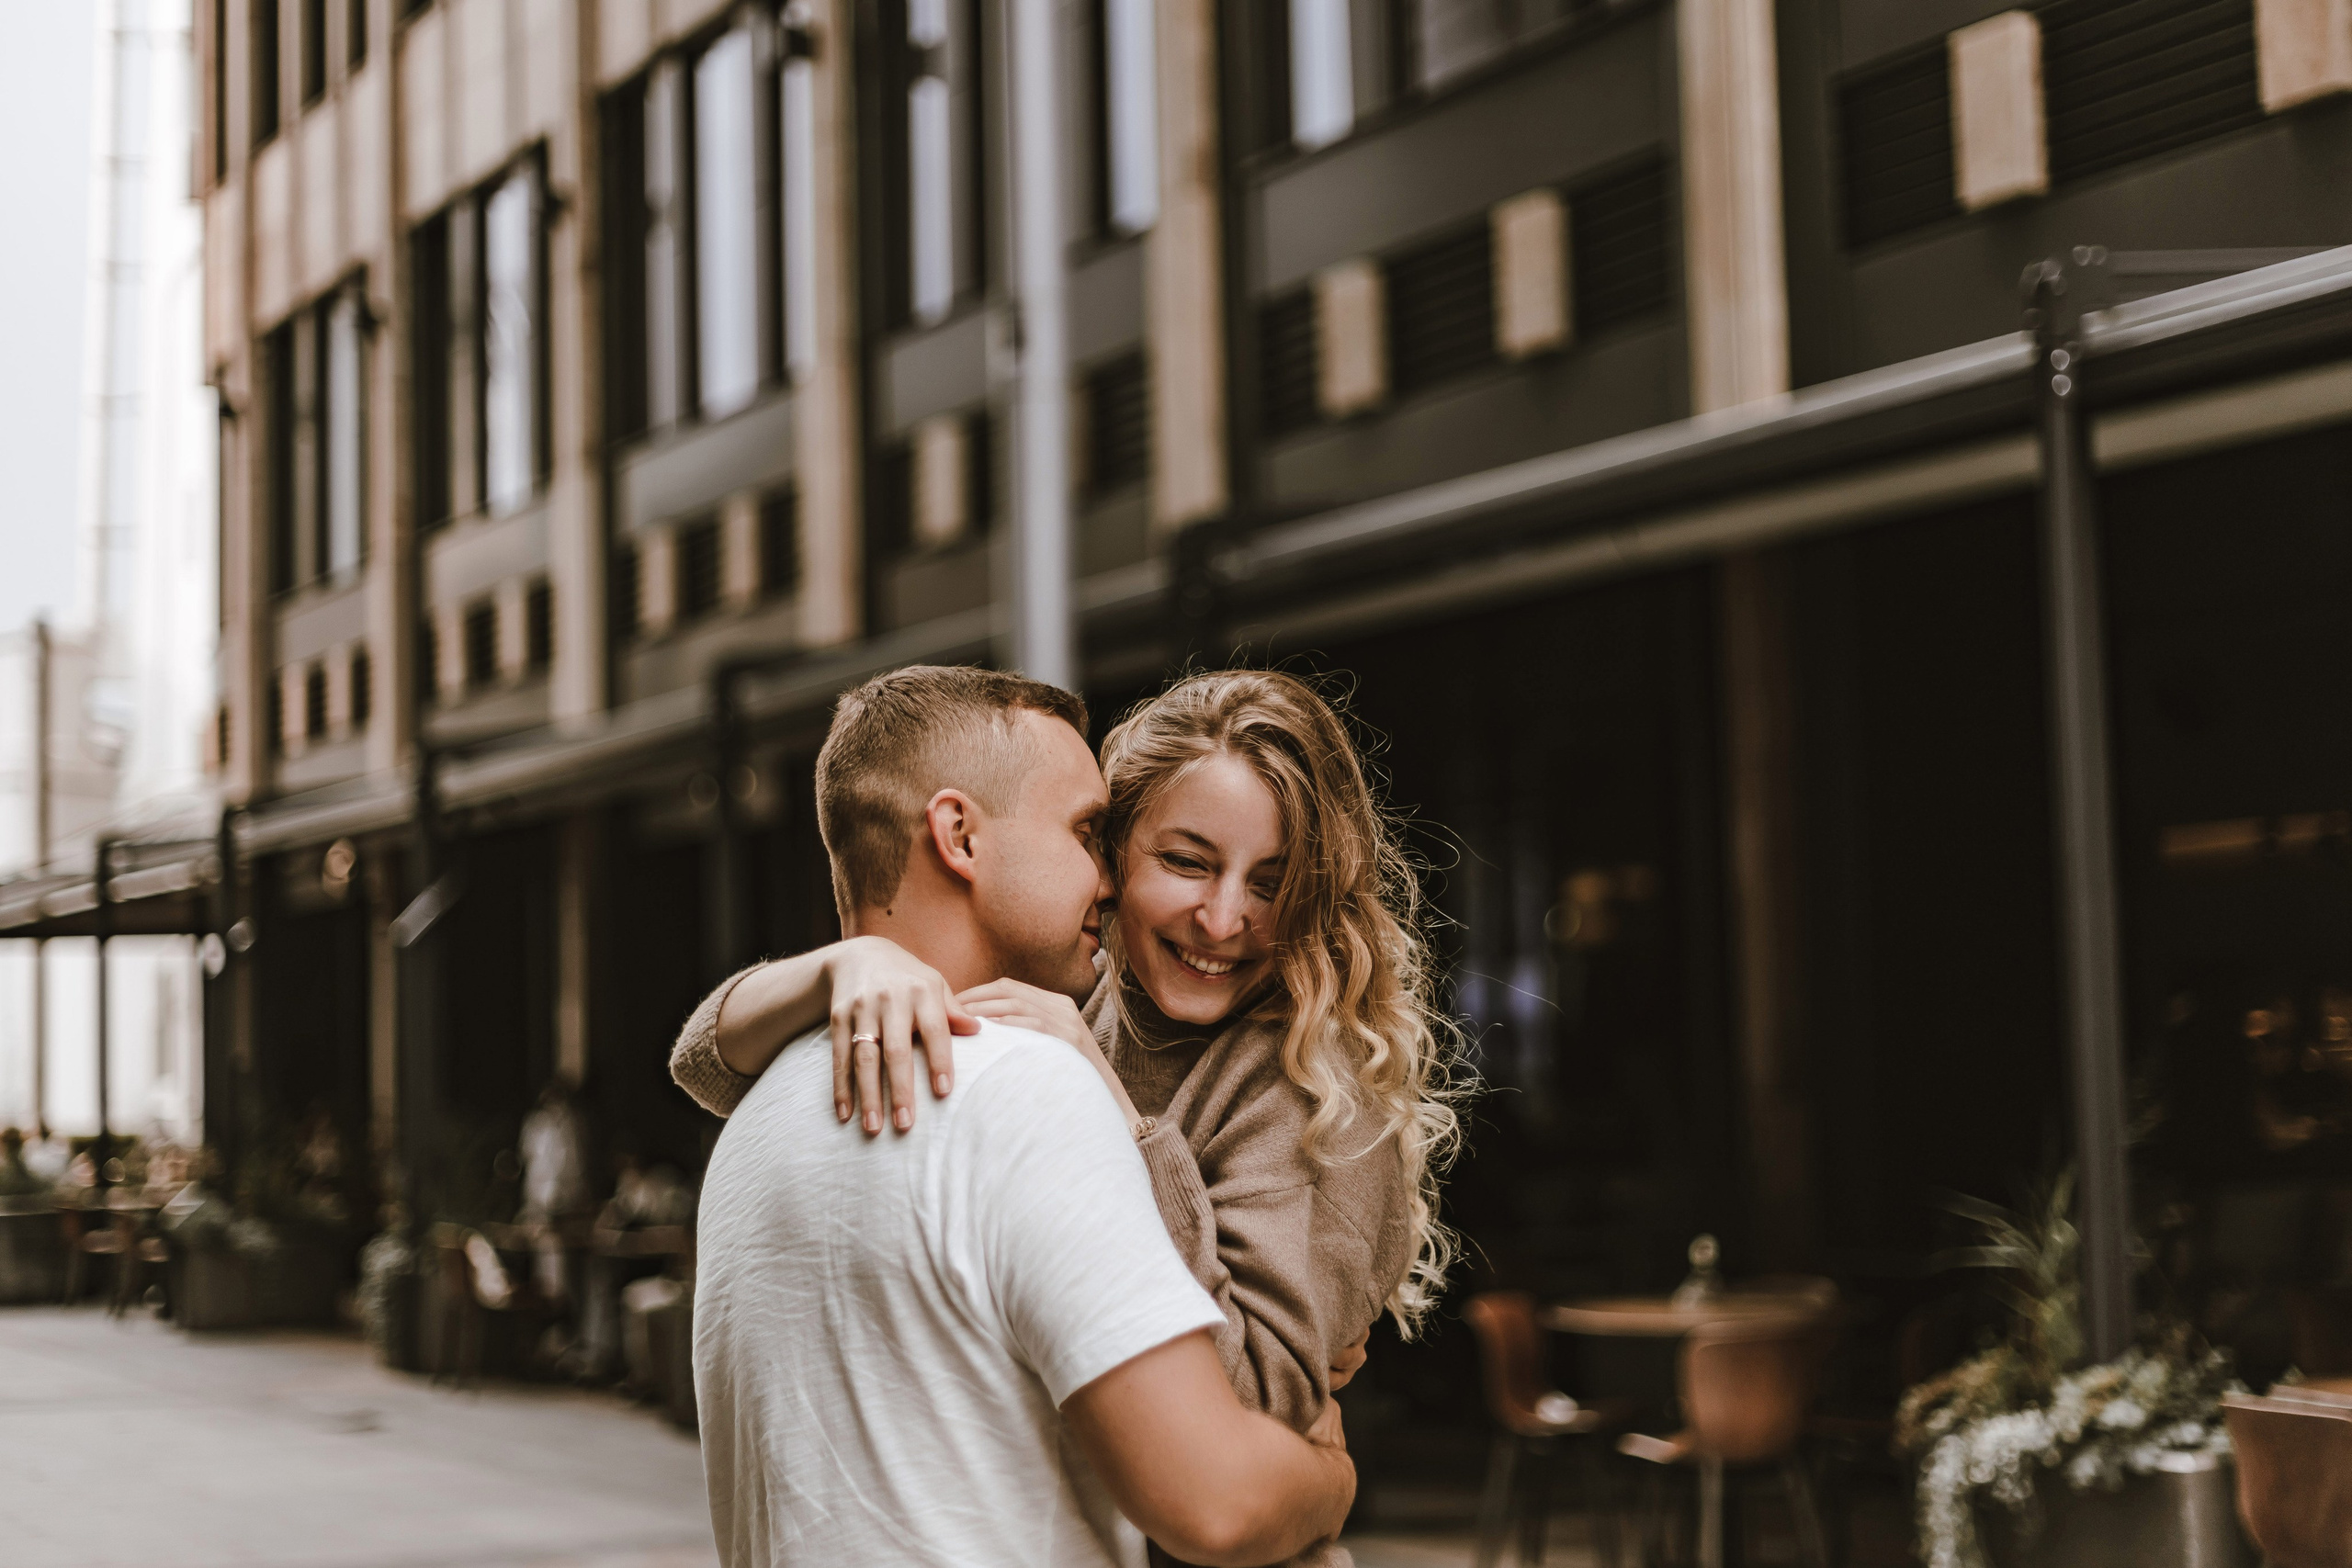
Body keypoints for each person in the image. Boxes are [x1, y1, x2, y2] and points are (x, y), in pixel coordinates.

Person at [674, 669, 1462, 1566]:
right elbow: (702, 1061)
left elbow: (1234, 1431)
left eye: (1273, 882)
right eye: (1186, 862)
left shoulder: (1319, 1091)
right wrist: (846, 965)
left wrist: (1115, 1114)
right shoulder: (1063, 1007)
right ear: (1117, 859)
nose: (1222, 918)